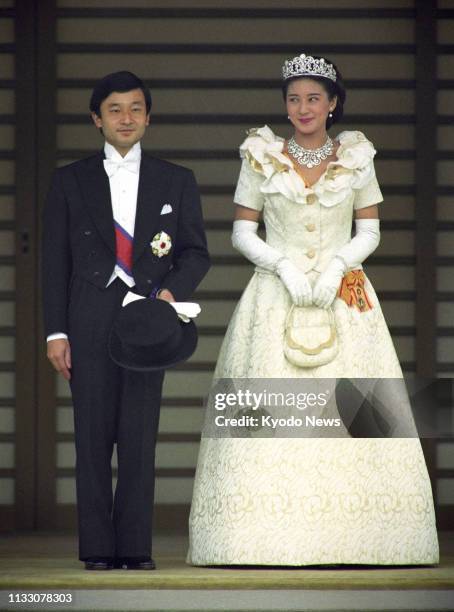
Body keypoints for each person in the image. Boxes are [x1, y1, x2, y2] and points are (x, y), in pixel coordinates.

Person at [187, 54, 439, 566]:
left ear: (333, 103)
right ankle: (251, 542)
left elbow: (370, 229)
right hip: (274, 295)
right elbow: (241, 232)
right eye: (294, 99)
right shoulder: (260, 154)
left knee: (355, 412)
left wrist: (335, 267)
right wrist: (282, 266)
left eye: (313, 98)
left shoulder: (357, 155)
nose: (303, 108)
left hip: (342, 295)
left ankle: (364, 540)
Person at [42, 71, 210, 570]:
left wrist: (166, 295)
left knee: (139, 435)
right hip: (87, 317)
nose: (126, 118)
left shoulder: (176, 179)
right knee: (92, 437)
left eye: (136, 108)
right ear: (97, 119)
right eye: (114, 109)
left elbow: (196, 254)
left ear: (148, 117)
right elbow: (54, 262)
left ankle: (135, 547)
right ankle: (96, 548)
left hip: (148, 320)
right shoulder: (69, 180)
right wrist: (56, 331)